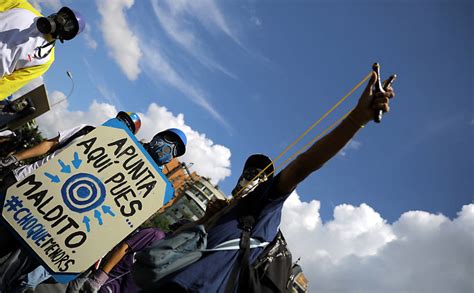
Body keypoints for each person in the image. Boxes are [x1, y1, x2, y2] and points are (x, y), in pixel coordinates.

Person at [134, 70, 396, 292]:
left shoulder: (264, 207)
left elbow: (303, 165)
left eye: (261, 175)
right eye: (248, 172)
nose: (252, 178)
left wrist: (356, 119)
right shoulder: (224, 212)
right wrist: (205, 221)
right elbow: (169, 248)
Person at [0, 1, 85, 100]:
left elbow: (9, 85)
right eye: (64, 16)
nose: (62, 21)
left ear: (68, 35)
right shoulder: (21, 5)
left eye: (69, 26)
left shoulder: (46, 59)